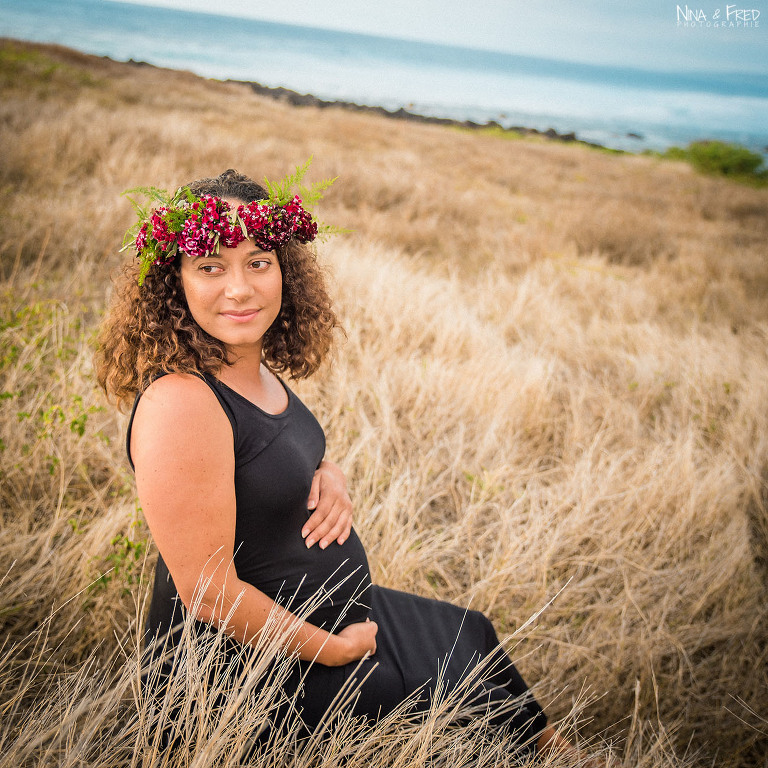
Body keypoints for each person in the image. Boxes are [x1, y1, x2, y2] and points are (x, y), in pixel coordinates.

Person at [96, 167, 583, 761]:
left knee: (468, 633)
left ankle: (562, 754)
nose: (240, 288)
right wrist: (333, 650)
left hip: (327, 624)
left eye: (258, 261)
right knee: (452, 719)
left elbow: (271, 453)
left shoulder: (252, 372)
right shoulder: (181, 401)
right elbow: (207, 593)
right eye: (211, 266)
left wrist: (329, 472)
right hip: (252, 674)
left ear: (285, 271)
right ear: (175, 282)